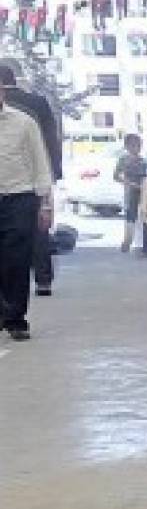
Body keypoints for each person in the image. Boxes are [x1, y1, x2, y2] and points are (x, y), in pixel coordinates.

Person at [0, 61, 61, 298]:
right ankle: (43, 278)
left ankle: (10, 309)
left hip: (20, 185)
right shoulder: (37, 104)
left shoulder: (21, 117)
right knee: (37, 233)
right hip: (35, 178)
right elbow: (51, 140)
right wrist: (53, 175)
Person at [0, 82, 54, 340]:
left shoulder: (24, 123)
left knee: (16, 260)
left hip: (19, 198)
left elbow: (40, 163)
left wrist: (45, 203)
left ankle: (16, 319)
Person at [113, 131, 147, 256]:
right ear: (127, 146)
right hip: (130, 192)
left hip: (143, 192)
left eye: (139, 145)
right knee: (130, 217)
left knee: (146, 217)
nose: (137, 148)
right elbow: (116, 176)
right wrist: (129, 183)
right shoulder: (123, 160)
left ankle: (146, 247)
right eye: (134, 145)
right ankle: (127, 241)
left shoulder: (144, 161)